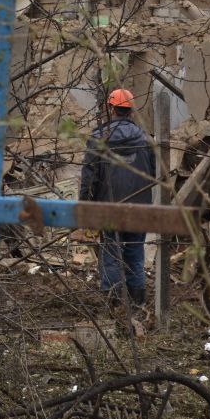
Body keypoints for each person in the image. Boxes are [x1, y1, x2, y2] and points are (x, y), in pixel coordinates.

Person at [79, 88, 157, 306]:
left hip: (109, 208)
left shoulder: (98, 139)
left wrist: (85, 206)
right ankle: (137, 302)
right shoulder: (145, 140)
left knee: (111, 255)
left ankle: (113, 305)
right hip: (139, 208)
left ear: (111, 108)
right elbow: (152, 175)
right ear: (131, 110)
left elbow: (89, 177)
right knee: (135, 252)